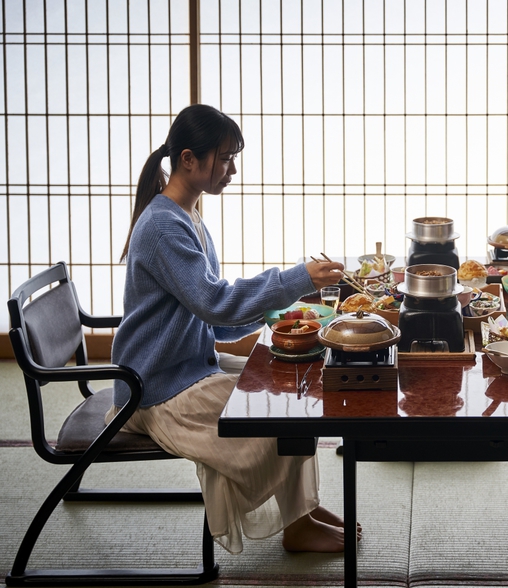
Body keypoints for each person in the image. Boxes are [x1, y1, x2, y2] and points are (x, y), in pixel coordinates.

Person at [107, 104, 356, 555]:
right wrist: (296, 279)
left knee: (291, 380)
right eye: (224, 158)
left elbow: (213, 312)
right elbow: (215, 302)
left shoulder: (187, 214)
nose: (232, 169)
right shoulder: (164, 226)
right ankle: (297, 523)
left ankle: (302, 511)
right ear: (188, 159)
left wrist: (290, 305)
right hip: (157, 386)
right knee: (279, 409)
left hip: (185, 366)